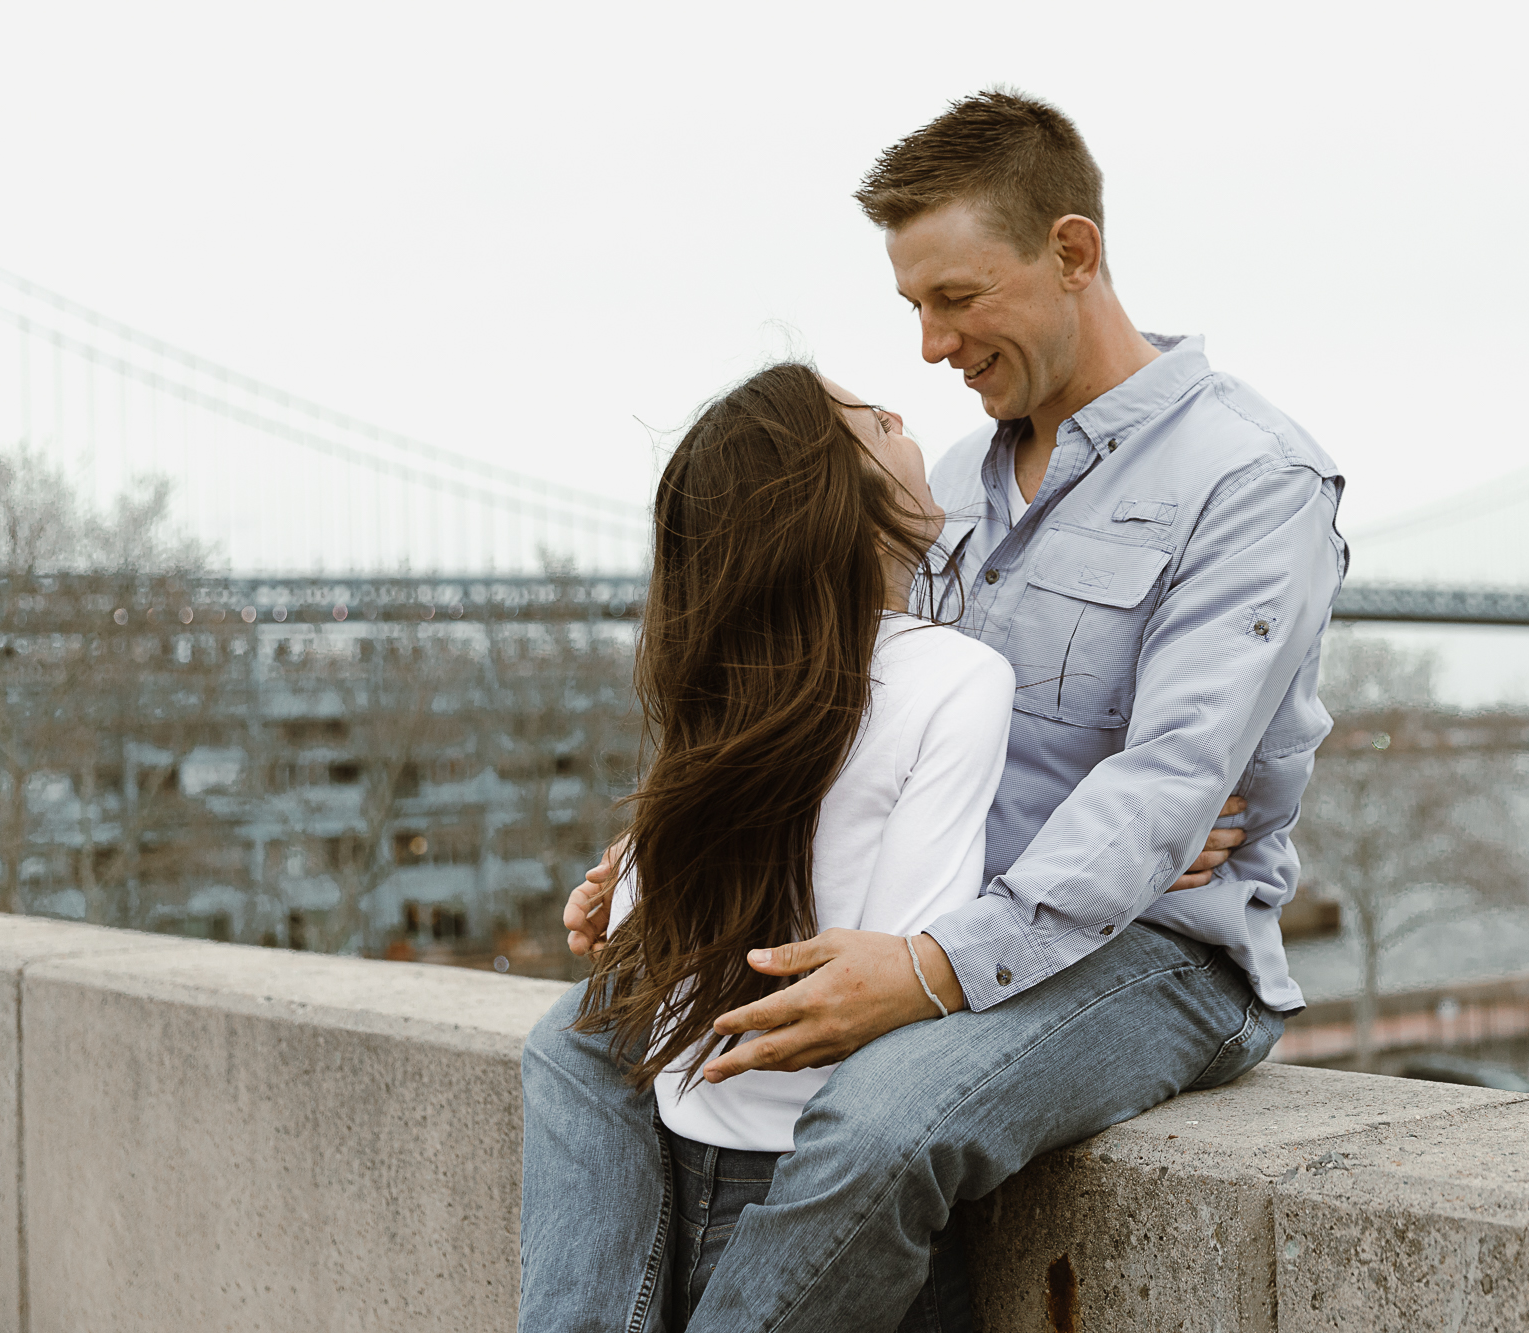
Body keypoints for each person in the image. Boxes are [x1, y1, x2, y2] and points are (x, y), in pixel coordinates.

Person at [526, 89, 1346, 1332]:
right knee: (581, 1041)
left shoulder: (1249, 479)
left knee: (880, 1121)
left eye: (954, 299)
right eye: (911, 304)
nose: (926, 346)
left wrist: (926, 968)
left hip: (1157, 949)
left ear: (1071, 252)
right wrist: (668, 861)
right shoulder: (946, 483)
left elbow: (1166, 787)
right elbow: (819, 709)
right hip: (929, 909)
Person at [522, 361, 1013, 1331]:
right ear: (845, 503)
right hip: (820, 1206)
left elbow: (651, 944)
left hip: (682, 1168)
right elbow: (900, 980)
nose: (903, 416)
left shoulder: (738, 684)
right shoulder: (957, 678)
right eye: (877, 421)